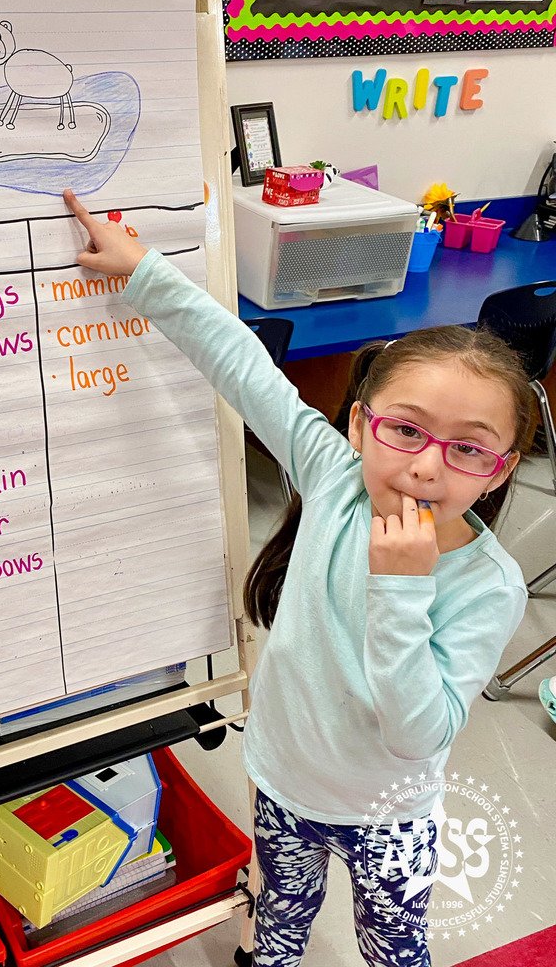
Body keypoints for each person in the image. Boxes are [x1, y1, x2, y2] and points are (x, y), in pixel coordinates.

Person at [62, 189, 535, 967]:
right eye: (405, 429)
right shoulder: (335, 475)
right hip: (284, 781)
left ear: (499, 472)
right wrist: (144, 270)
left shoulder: (487, 585)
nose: (424, 465)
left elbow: (418, 733)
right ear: (358, 424)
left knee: (394, 949)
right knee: (278, 923)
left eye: (467, 448)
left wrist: (403, 588)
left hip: (389, 811)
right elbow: (245, 368)